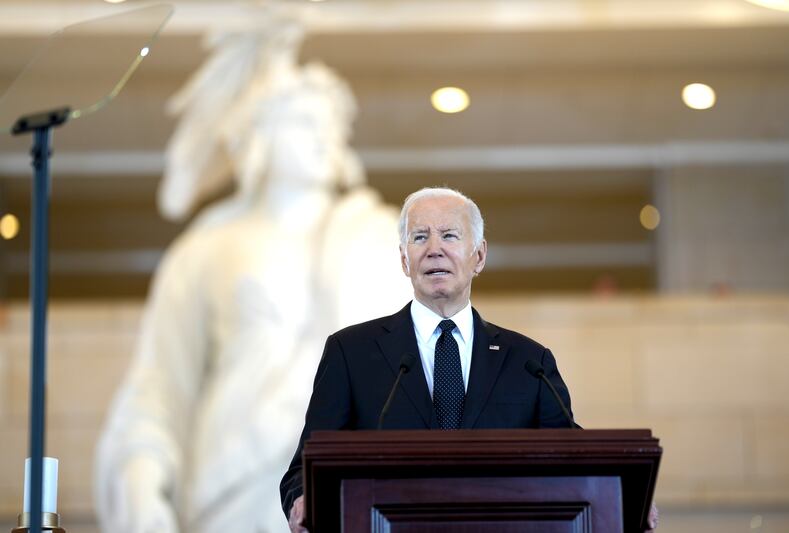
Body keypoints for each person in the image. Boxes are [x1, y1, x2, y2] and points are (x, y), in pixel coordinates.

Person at [94, 24, 410, 533]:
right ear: (259, 135)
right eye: (303, 121)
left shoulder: (384, 241)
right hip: (231, 483)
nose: (324, 133)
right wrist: (140, 471)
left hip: (350, 484)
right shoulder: (208, 247)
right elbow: (159, 384)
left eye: (331, 121)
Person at [280, 187, 579, 532]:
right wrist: (303, 498)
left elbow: (573, 457)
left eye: (449, 235)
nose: (434, 249)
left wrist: (629, 493)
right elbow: (305, 467)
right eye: (420, 237)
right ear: (405, 260)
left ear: (478, 256)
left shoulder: (529, 361)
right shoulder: (351, 352)